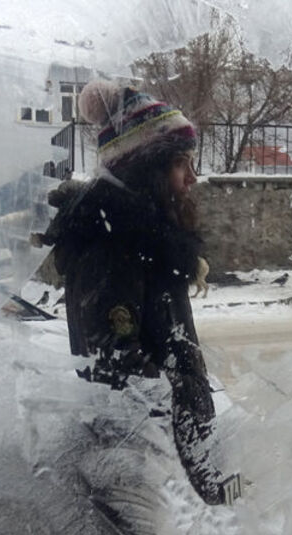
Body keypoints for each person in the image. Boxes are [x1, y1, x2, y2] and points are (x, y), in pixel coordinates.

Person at [32, 80, 223, 505]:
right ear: (146, 171)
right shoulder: (114, 247)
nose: (192, 178)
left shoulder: (142, 239)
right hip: (145, 469)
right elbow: (117, 367)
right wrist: (181, 407)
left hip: (165, 459)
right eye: (180, 165)